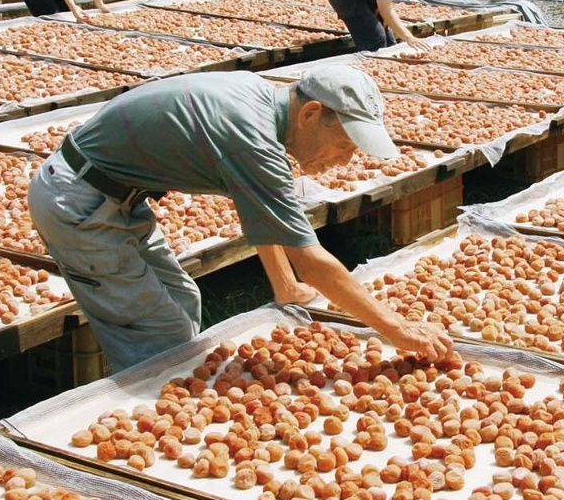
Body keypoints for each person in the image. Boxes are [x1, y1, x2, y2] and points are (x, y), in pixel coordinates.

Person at [27, 64, 457, 374]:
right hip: (79, 201)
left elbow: (259, 211)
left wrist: (285, 286)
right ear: (310, 114)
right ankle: (137, 415)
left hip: (114, 194)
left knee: (183, 301)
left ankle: (153, 377)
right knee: (157, 332)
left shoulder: (264, 101)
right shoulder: (252, 140)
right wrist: (396, 328)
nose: (345, 160)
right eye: (344, 145)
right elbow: (311, 260)